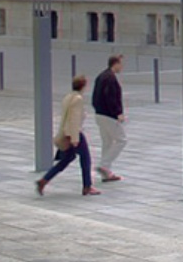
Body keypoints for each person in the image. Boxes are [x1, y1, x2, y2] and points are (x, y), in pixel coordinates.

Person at [37, 75, 99, 196]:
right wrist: (75, 138)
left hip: (66, 133)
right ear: (84, 86)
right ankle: (87, 186)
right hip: (74, 134)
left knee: (65, 160)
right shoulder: (78, 99)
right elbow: (74, 119)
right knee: (86, 159)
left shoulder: (68, 97)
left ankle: (44, 180)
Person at [91, 54, 126, 183]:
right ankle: (104, 165)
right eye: (121, 64)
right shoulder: (110, 78)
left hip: (99, 114)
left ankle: (106, 173)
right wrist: (118, 113)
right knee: (122, 140)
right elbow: (111, 97)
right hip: (108, 115)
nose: (122, 67)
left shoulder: (101, 76)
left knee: (107, 142)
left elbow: (95, 97)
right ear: (115, 64)